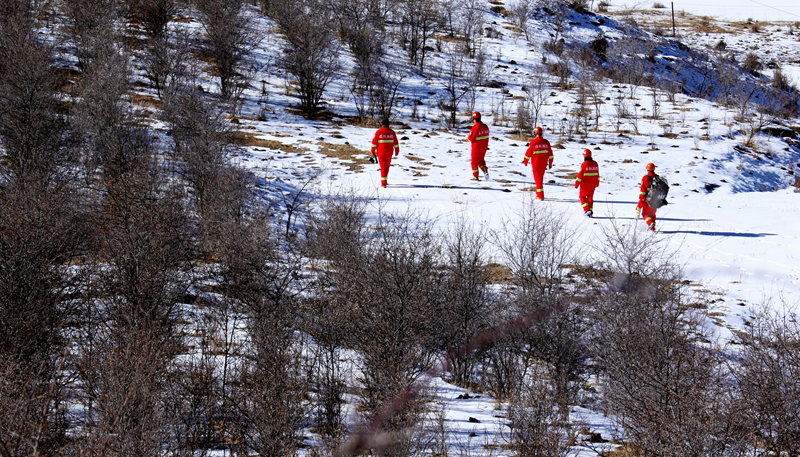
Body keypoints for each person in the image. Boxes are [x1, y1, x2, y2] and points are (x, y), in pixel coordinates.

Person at [522, 126, 553, 200]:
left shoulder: (533, 142)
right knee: (540, 178)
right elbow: (551, 155)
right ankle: (538, 193)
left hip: (536, 164)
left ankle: (541, 196)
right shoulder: (546, 142)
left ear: (535, 133)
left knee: (538, 180)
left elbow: (528, 153)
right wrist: (550, 163)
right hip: (544, 164)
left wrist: (525, 161)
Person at [370, 119, 400, 188]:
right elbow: (396, 143)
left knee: (383, 166)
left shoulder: (379, 132)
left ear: (382, 124)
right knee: (387, 166)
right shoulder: (392, 132)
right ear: (388, 124)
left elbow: (374, 142)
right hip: (389, 153)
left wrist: (372, 151)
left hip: (381, 152)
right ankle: (385, 180)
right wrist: (397, 151)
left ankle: (384, 183)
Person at [575, 149, 599, 217]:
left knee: (582, 196)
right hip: (593, 184)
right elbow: (597, 174)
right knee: (590, 198)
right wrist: (597, 182)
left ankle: (587, 210)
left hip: (584, 185)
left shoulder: (584, 164)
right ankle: (590, 211)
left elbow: (580, 175)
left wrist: (577, 184)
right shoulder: (595, 164)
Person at [466, 111, 490, 181]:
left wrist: (467, 139)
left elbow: (471, 138)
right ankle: (485, 170)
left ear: (474, 119)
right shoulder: (485, 126)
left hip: (476, 147)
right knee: (481, 160)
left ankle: (476, 177)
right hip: (484, 148)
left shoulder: (475, 127)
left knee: (474, 162)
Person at [636, 162, 658, 231]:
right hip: (656, 200)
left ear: (647, 169)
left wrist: (639, 206)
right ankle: (652, 228)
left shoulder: (646, 178)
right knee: (652, 214)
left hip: (648, 200)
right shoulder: (657, 178)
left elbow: (643, 192)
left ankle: (650, 223)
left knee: (645, 213)